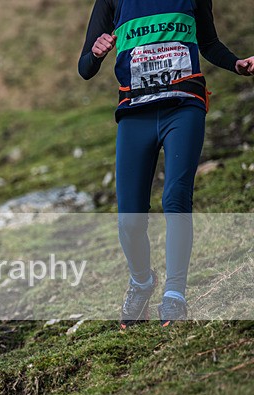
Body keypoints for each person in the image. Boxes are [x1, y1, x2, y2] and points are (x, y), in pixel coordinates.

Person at [78, 0, 254, 328]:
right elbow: (85, 67)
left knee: (175, 198)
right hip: (135, 114)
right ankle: (142, 283)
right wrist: (97, 52)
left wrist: (236, 64)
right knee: (129, 221)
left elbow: (210, 43)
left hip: (183, 107)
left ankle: (175, 294)